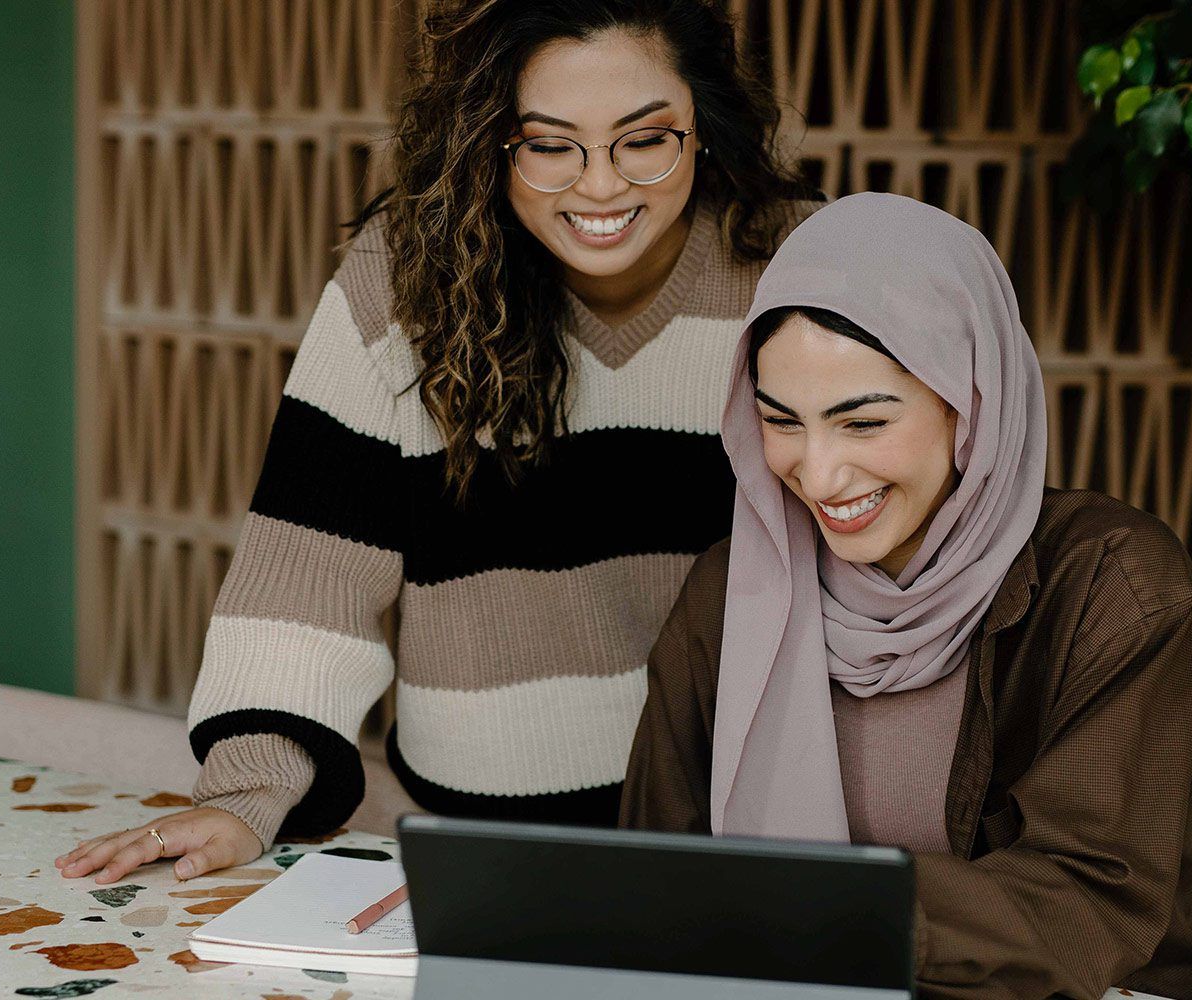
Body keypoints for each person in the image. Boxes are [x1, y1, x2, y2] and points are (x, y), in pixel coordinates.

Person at [59, 0, 818, 885]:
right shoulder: (403, 282)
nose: (602, 185)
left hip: (740, 829)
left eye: (644, 140)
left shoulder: (791, 267)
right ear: (490, 139)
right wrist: (246, 794)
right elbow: (310, 573)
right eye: (549, 144)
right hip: (477, 841)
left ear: (704, 127)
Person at [620, 193, 1192, 999]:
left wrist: (824, 913)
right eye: (781, 421)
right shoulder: (732, 593)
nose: (819, 472)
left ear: (969, 401)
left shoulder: (1111, 587)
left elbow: (1090, 901)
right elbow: (654, 865)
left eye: (863, 423)